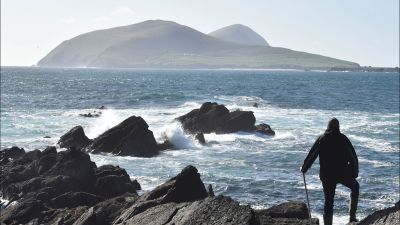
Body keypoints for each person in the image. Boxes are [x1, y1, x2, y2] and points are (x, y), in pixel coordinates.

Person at [300, 118, 359, 225]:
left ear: (328, 126)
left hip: (327, 176)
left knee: (329, 201)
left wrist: (304, 168)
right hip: (343, 173)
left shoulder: (322, 139)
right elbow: (353, 157)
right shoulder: (343, 138)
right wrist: (354, 173)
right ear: (338, 127)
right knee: (355, 187)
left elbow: (312, 155)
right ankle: (352, 217)